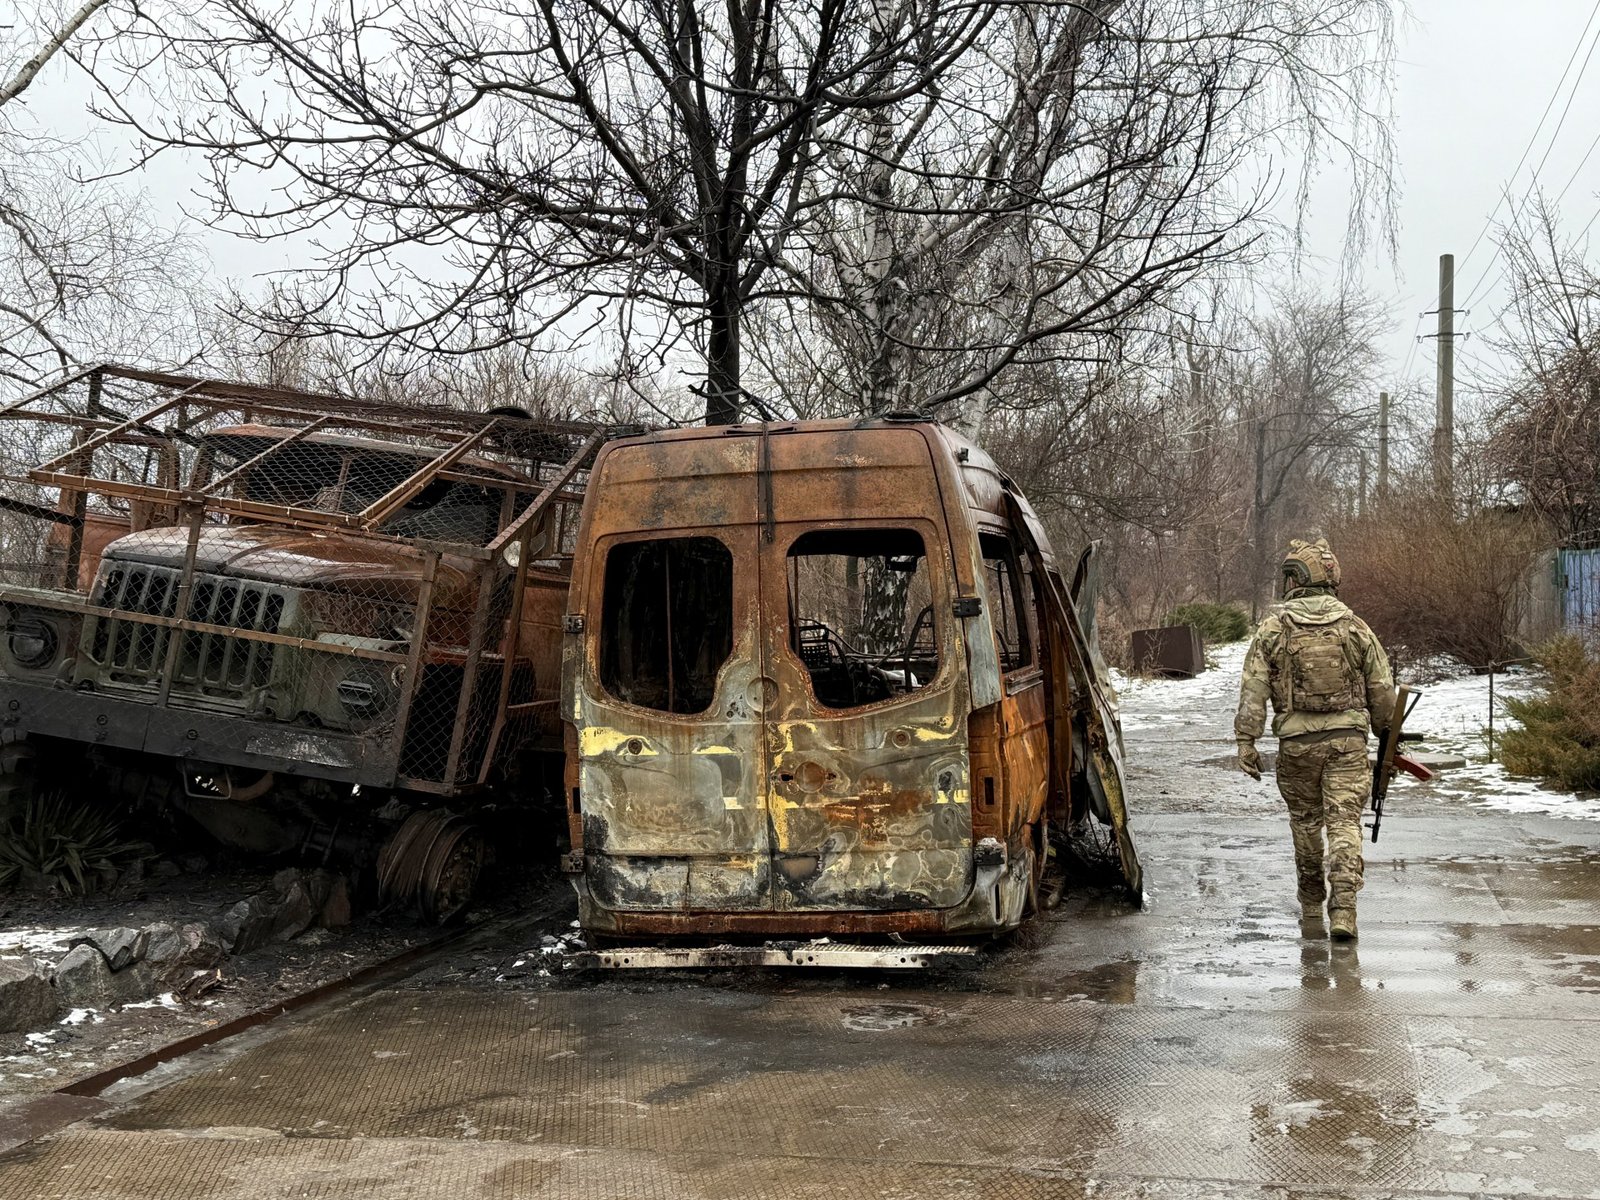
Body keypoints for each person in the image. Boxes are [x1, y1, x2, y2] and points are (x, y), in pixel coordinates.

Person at [1234, 538, 1394, 940]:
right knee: (1345, 824)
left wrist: (1246, 740)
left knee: (1305, 824)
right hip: (1347, 745)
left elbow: (1253, 689)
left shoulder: (1273, 629)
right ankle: (1344, 910)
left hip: (1297, 746)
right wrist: (1387, 735)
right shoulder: (1355, 626)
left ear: (1294, 580)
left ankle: (1310, 900)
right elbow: (1381, 690)